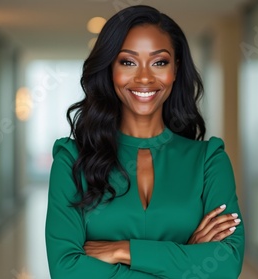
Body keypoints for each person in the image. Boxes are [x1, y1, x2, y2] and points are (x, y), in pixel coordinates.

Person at [45, 5, 244, 278]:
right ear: (110, 69)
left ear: (176, 68)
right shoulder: (71, 160)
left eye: (159, 62)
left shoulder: (210, 160)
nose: (144, 77)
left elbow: (227, 264)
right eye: (128, 62)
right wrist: (186, 254)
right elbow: (66, 270)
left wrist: (123, 250)